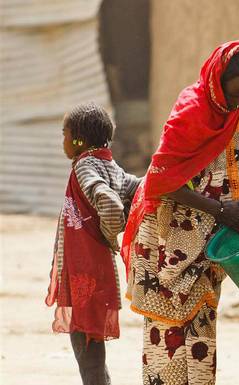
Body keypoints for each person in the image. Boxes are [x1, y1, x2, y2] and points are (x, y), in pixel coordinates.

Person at [122, 40, 239, 385]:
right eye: (235, 96)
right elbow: (162, 182)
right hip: (170, 240)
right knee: (167, 334)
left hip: (213, 238)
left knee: (202, 330)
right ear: (218, 84)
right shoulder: (191, 113)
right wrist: (220, 210)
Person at [45, 102, 141, 385]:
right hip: (96, 267)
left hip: (84, 268)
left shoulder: (85, 166)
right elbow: (137, 186)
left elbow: (109, 203)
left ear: (79, 140)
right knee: (92, 344)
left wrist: (109, 234)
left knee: (86, 345)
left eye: (65, 134)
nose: (63, 141)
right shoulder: (108, 164)